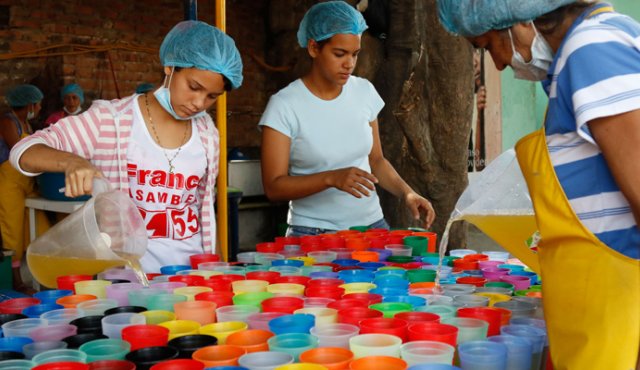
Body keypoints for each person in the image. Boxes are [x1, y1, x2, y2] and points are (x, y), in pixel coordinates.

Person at [438, 0, 640, 368]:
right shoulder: (577, 58)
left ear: (520, 20)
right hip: (591, 310)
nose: (498, 63)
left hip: (612, 302)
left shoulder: (592, 49)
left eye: (487, 45)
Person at [10, 20, 243, 273]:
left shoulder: (207, 133)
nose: (199, 103)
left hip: (194, 280)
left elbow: (204, 211)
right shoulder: (112, 121)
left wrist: (217, 271)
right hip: (130, 285)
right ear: (170, 67)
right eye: (194, 87)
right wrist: (72, 161)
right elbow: (23, 151)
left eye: (212, 96)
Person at [259, 1, 435, 237]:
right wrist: (332, 178)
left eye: (355, 54)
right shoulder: (284, 106)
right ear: (313, 48)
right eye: (339, 54)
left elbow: (376, 160)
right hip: (312, 234)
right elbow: (273, 186)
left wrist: (407, 193)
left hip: (371, 227)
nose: (349, 64)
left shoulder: (364, 92)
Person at [0, 84, 49, 293]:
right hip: (9, 182)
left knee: (42, 228)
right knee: (12, 234)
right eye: (38, 105)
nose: (39, 109)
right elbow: (18, 150)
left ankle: (44, 276)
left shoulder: (26, 123)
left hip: (27, 182)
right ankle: (17, 282)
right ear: (30, 104)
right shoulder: (7, 121)